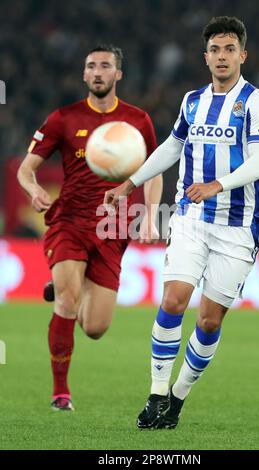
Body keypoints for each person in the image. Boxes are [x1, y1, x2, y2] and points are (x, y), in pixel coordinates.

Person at [104, 16, 259, 429]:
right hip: (191, 218)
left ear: (242, 55)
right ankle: (155, 396)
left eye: (229, 49)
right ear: (205, 57)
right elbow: (172, 147)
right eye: (215, 49)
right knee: (173, 301)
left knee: (209, 321)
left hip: (236, 225)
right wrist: (130, 182)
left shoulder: (255, 102)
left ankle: (176, 400)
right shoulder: (192, 101)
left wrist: (218, 184)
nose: (222, 56)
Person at [17, 45, 163, 411]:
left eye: (106, 66)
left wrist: (149, 214)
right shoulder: (63, 119)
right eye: (91, 66)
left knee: (95, 328)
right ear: (84, 75)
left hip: (114, 228)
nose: (98, 72)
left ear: (118, 75)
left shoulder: (138, 120)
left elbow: (155, 169)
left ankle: (69, 283)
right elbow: (25, 169)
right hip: (70, 220)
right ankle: (60, 393)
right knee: (67, 301)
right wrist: (34, 189)